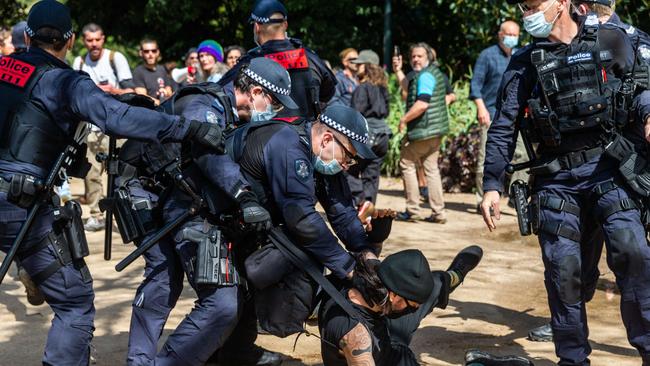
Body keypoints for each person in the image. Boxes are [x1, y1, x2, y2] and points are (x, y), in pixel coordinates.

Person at [0, 1, 225, 364]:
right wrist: (189, 128)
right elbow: (115, 118)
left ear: (26, 36)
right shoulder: (64, 82)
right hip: (20, 207)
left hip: (17, 205)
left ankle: (30, 267)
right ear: (70, 41)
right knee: (74, 302)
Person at [481, 0, 650, 364]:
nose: (527, 14)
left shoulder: (612, 39)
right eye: (522, 7)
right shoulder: (525, 61)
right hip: (556, 180)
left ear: (562, 3)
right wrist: (492, 184)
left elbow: (641, 88)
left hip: (609, 169)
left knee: (633, 252)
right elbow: (504, 125)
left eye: (533, 5)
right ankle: (573, 359)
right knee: (564, 270)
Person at [125, 57, 290, 366]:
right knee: (170, 282)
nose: (276, 111)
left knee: (177, 287)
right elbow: (209, 155)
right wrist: (244, 196)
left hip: (175, 199)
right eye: (275, 103)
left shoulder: (229, 111)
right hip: (149, 198)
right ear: (255, 92)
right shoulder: (205, 104)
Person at [527, 0, 650, 344]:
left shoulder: (631, 39)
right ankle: (569, 324)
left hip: (622, 166)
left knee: (633, 251)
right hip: (569, 174)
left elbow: (643, 91)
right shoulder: (553, 46)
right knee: (573, 259)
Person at [318, 247, 482, 365]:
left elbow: (365, 250)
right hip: (386, 359)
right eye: (412, 305)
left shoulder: (373, 278)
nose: (415, 309)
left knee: (435, 284)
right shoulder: (356, 336)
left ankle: (453, 276)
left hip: (385, 329)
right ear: (393, 294)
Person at [219, 0, 337, 120]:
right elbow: (329, 91)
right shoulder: (310, 57)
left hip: (264, 136)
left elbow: (220, 92)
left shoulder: (251, 62)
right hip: (307, 135)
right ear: (285, 24)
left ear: (257, 26)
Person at [73, 22, 136, 231]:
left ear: (103, 39)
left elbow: (131, 91)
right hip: (92, 127)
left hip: (117, 125)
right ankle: (95, 214)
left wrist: (110, 90)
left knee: (120, 172)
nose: (94, 44)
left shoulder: (115, 58)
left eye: (97, 39)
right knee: (91, 172)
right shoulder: (79, 62)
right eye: (89, 40)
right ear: (84, 41)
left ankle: (124, 213)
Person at [471, 20, 528, 213]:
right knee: (486, 157)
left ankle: (515, 198)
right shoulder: (487, 55)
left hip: (517, 116)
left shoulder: (521, 55)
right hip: (491, 113)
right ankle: (484, 199)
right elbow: (476, 85)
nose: (512, 37)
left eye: (515, 34)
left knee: (524, 156)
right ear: (500, 34)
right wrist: (481, 108)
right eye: (508, 34)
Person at [393, 42, 449, 223]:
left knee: (406, 163)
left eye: (420, 56)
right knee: (431, 169)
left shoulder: (425, 76)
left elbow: (422, 103)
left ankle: (412, 210)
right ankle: (439, 212)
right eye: (413, 56)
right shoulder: (430, 74)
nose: (416, 59)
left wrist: (404, 119)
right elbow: (408, 89)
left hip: (424, 131)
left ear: (428, 58)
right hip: (435, 130)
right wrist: (398, 70)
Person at [346, 49, 391, 206]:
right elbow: (387, 111)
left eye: (360, 65)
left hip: (367, 136)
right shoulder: (383, 88)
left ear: (368, 67)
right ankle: (368, 206)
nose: (357, 68)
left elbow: (355, 115)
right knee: (371, 174)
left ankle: (359, 201)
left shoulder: (362, 88)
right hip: (383, 136)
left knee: (347, 169)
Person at [133, 38, 175, 105]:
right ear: (141, 53)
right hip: (151, 111)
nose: (150, 54)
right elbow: (142, 97)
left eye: (153, 51)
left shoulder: (162, 69)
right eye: (146, 51)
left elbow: (169, 89)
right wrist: (161, 103)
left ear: (158, 52)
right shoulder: (138, 72)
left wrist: (165, 92)